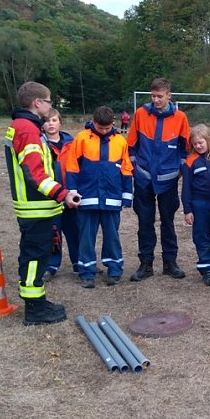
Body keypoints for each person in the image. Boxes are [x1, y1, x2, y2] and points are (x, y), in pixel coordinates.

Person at [4, 81, 80, 326]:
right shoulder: (27, 130)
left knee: (34, 254)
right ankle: (35, 309)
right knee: (35, 256)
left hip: (36, 206)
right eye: (48, 101)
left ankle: (37, 301)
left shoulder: (24, 127)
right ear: (37, 103)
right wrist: (62, 193)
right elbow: (34, 173)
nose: (50, 106)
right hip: (36, 206)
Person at [127, 78, 190, 281]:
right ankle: (146, 264)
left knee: (168, 222)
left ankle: (170, 263)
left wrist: (179, 169)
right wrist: (136, 168)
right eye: (153, 96)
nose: (156, 100)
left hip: (168, 180)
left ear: (169, 96)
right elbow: (131, 145)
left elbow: (185, 148)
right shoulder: (140, 114)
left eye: (160, 96)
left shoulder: (180, 117)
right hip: (144, 178)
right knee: (145, 222)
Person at [66, 106, 133, 288]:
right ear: (93, 122)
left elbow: (126, 169)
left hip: (112, 199)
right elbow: (72, 166)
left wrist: (127, 195)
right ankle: (86, 272)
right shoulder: (81, 138)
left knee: (112, 236)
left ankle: (115, 270)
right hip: (86, 199)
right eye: (100, 127)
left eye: (107, 127)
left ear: (113, 123)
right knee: (86, 237)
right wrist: (72, 191)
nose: (104, 131)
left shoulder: (120, 141)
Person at [180, 124, 210, 286]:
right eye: (195, 144)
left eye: (201, 142)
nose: (198, 146)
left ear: (208, 140)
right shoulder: (190, 162)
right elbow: (186, 188)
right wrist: (187, 210)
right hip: (199, 205)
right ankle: (207, 270)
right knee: (201, 238)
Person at [42, 108, 80, 281]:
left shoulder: (72, 143)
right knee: (53, 232)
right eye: (47, 121)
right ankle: (51, 264)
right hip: (51, 196)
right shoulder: (39, 144)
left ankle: (79, 262)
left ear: (60, 122)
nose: (51, 124)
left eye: (54, 120)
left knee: (75, 231)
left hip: (71, 193)